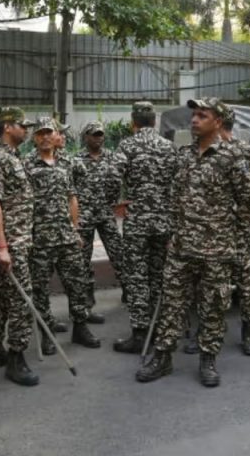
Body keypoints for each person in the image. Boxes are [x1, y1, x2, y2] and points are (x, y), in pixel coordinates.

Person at [135, 97, 250, 387]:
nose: (194, 120)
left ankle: (208, 359)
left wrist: (230, 235)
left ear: (217, 121)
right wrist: (174, 233)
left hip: (216, 249)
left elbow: (248, 200)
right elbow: (176, 197)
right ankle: (162, 357)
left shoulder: (231, 157)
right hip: (181, 247)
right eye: (194, 115)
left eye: (202, 115)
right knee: (172, 303)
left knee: (213, 306)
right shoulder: (184, 154)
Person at [24, 116, 101, 354]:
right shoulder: (27, 164)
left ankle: (80, 327)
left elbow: (72, 197)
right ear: (35, 137)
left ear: (55, 135)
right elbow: (22, 202)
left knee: (76, 283)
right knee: (40, 288)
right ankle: (47, 333)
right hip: (40, 238)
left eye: (50, 132)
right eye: (41, 133)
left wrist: (75, 230)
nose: (46, 136)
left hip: (66, 236)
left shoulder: (64, 163)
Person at [0, 106, 40, 386]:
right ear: (7, 127)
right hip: (11, 241)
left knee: (4, 294)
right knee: (22, 299)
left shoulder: (14, 156)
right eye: (21, 125)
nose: (25, 130)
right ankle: (17, 356)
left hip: (20, 238)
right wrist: (2, 247)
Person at [112, 101, 177, 353]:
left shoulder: (127, 145)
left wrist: (116, 202)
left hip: (138, 223)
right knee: (159, 275)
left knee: (137, 277)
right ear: (154, 122)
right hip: (164, 222)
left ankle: (140, 335)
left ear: (133, 123)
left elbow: (112, 177)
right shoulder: (169, 147)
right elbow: (179, 183)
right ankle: (160, 329)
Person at [218, 110, 250, 356]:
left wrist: (239, 222)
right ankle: (211, 330)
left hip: (235, 232)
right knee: (211, 283)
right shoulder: (202, 150)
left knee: (244, 280)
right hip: (208, 233)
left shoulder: (242, 150)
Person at [72, 121, 123, 324]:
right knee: (82, 262)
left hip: (106, 214)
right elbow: (71, 190)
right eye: (94, 135)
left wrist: (111, 202)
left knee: (120, 255)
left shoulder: (112, 157)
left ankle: (131, 296)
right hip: (84, 217)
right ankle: (85, 307)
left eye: (101, 134)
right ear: (86, 137)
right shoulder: (76, 160)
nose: (99, 138)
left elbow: (119, 182)